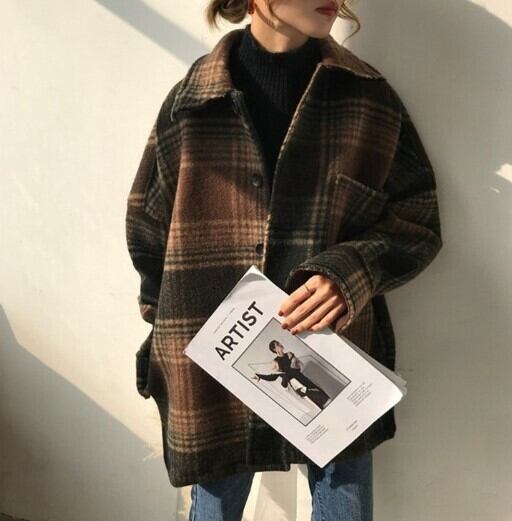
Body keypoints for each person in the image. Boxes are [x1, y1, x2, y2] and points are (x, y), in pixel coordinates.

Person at [125, 0, 443, 518]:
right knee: (215, 508)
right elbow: (147, 228)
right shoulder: (191, 106)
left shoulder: (366, 100)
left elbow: (418, 218)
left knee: (345, 503)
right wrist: (173, 333)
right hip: (214, 360)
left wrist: (349, 274)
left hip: (333, 350)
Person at [252, 339, 331, 409]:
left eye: (279, 343)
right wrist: (259, 376)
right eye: (278, 344)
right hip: (297, 385)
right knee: (315, 401)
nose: (281, 344)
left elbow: (295, 368)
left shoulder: (289, 354)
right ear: (274, 349)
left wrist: (284, 375)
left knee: (323, 396)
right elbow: (273, 377)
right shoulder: (275, 362)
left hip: (303, 379)